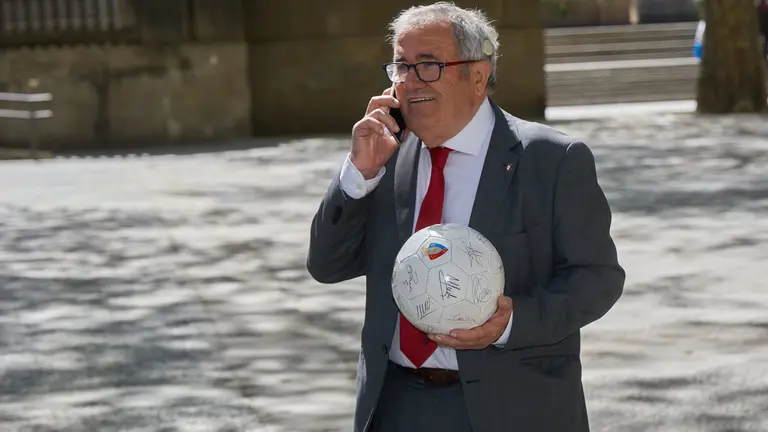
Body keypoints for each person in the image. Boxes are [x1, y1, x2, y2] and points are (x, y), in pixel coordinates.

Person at [306, 2, 625, 431]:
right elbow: (327, 266)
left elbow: (597, 278)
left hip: (513, 407)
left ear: (477, 75)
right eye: (401, 66)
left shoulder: (551, 159)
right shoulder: (384, 159)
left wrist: (511, 323)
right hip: (396, 404)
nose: (411, 81)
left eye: (429, 65)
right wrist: (357, 176)